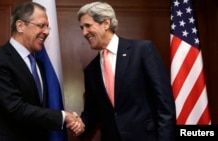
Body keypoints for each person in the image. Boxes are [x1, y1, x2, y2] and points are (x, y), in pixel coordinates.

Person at [0, 2, 84, 141]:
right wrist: (64, 117)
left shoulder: (39, 64)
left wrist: (72, 119)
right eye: (41, 25)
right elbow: (15, 107)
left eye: (48, 27)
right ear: (20, 26)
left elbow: (40, 108)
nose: (46, 32)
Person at [74, 1, 176, 141]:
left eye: (88, 26)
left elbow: (164, 104)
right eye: (81, 28)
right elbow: (92, 112)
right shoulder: (91, 70)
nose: (84, 33)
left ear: (106, 24)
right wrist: (78, 123)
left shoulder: (142, 51)